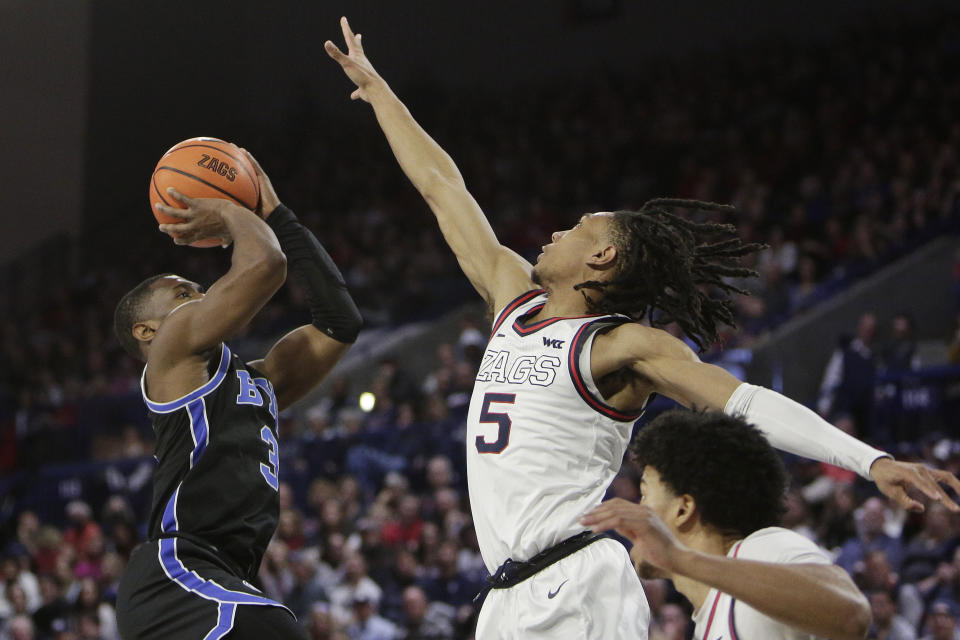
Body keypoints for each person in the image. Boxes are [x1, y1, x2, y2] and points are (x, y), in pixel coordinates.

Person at [326, 16, 960, 639]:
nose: (556, 231)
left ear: (601, 258)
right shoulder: (512, 300)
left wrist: (867, 459)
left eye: (578, 228)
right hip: (506, 593)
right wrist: (381, 93)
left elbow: (742, 402)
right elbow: (443, 187)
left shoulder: (619, 346)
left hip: (575, 578)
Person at [114, 152, 362, 640]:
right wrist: (229, 209)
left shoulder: (256, 382)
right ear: (148, 330)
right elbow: (266, 264)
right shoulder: (170, 352)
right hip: (177, 570)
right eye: (184, 294)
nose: (202, 295)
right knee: (271, 627)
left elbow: (340, 322)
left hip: (226, 574)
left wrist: (278, 215)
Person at [581, 410, 871, 639]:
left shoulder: (761, 547)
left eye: (644, 494)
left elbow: (851, 613)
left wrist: (679, 558)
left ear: (683, 509)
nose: (636, 510)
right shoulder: (710, 618)